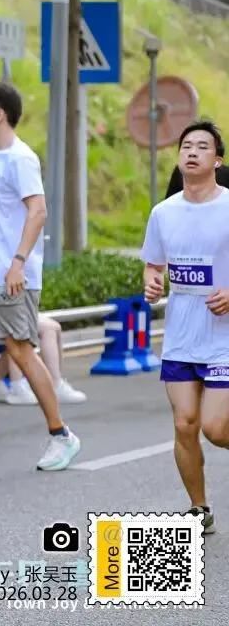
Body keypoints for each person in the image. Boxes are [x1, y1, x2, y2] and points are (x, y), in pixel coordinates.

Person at [0, 82, 81, 471]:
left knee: (19, 350)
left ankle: (61, 434)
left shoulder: (21, 158)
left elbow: (38, 211)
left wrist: (17, 263)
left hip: (12, 273)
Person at [141, 119, 228, 536]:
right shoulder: (164, 213)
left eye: (202, 146)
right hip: (180, 335)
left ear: (218, 160)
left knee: (216, 427)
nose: (192, 152)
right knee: (184, 425)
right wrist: (152, 281)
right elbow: (153, 264)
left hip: (224, 336)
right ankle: (199, 508)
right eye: (186, 146)